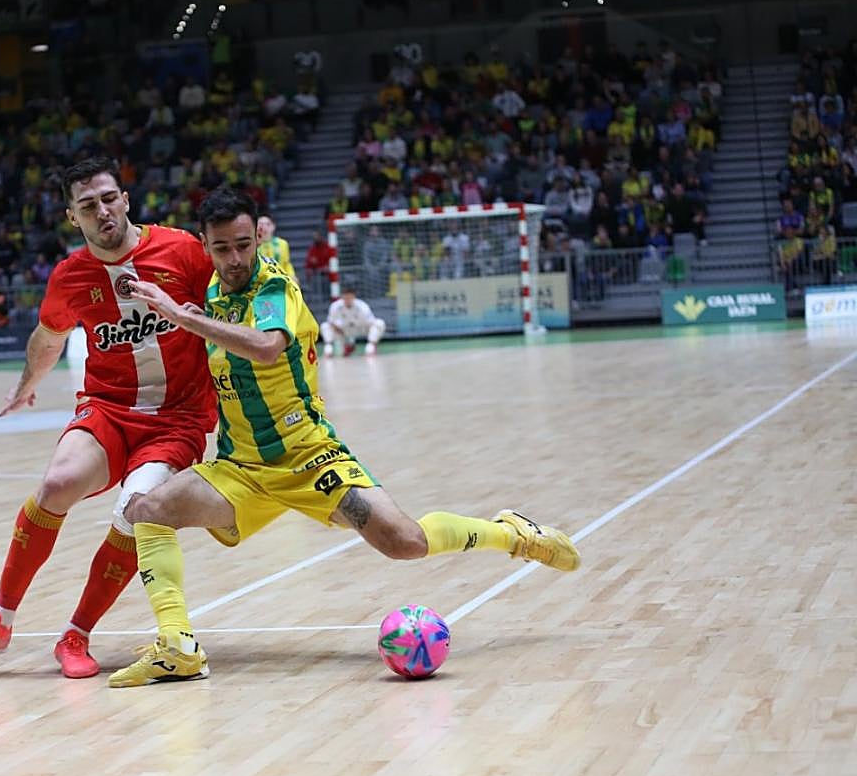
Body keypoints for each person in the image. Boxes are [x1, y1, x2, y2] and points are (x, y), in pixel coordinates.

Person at [111, 187, 581, 687]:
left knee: (404, 542)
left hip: (310, 458)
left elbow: (268, 349)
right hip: (241, 469)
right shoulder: (210, 292)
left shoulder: (274, 288)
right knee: (147, 508)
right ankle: (178, 646)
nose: (236, 258)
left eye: (244, 244)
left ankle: (512, 534)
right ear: (205, 244)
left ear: (258, 238)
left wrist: (183, 317)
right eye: (223, 248)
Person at [0, 157, 218, 678]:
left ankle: (77, 634)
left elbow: (230, 306)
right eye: (88, 205)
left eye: (109, 198)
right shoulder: (70, 276)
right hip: (110, 409)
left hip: (178, 420)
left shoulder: (183, 249)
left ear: (126, 199)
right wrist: (26, 387)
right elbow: (48, 338)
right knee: (56, 483)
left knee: (133, 511)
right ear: (73, 217)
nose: (103, 211)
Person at [321, 286, 385, 357]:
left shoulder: (362, 306)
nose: (347, 300)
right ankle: (329, 349)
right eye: (345, 297)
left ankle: (371, 347)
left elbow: (372, 322)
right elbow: (331, 322)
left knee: (379, 323)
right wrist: (340, 334)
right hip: (344, 331)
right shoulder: (335, 306)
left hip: (361, 329)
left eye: (350, 297)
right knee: (325, 326)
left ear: (354, 297)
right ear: (342, 297)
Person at [256, 215, 296, 281]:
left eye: (268, 224)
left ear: (273, 226)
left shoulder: (282, 244)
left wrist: (292, 275)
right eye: (260, 224)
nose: (264, 227)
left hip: (280, 279)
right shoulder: (253, 245)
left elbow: (286, 264)